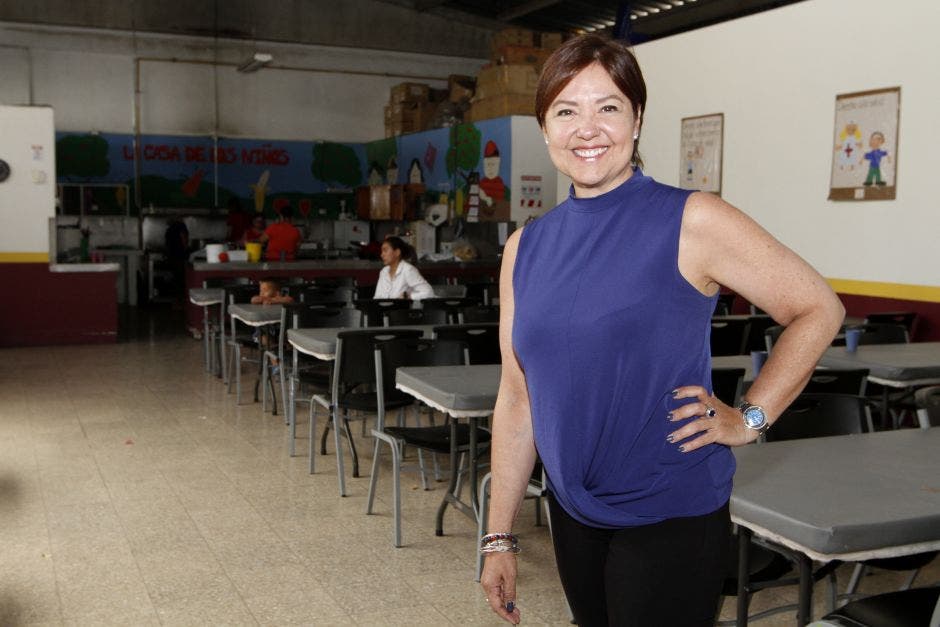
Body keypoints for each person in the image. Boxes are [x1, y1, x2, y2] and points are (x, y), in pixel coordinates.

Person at [479, 34, 844, 626]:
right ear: (545, 130)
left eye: (608, 107)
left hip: (669, 511)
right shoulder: (524, 248)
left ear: (638, 119)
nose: (587, 128)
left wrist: (751, 418)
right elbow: (517, 398)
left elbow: (818, 309)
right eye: (566, 111)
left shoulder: (691, 219)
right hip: (573, 512)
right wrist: (499, 537)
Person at [373, 236, 434, 301]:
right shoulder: (384, 271)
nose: (382, 255)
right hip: (386, 310)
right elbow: (377, 297)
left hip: (403, 310)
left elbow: (429, 293)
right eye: (382, 251)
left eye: (385, 251)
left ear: (397, 252)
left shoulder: (408, 270)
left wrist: (409, 297)